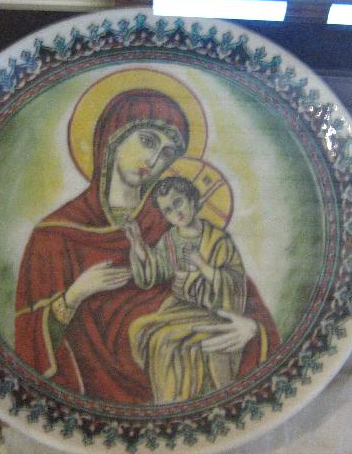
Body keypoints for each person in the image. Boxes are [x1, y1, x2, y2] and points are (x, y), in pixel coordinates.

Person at [14, 88, 279, 404]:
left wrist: (251, 328)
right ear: (114, 137)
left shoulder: (173, 219)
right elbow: (28, 341)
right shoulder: (56, 235)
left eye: (167, 154)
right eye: (148, 141)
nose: (154, 161)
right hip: (105, 394)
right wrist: (76, 294)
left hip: (193, 354)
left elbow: (236, 284)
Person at [123, 176, 248, 404]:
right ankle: (170, 399)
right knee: (138, 329)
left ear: (192, 199)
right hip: (180, 307)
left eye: (178, 202)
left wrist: (202, 266)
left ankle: (175, 400)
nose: (176, 213)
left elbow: (235, 282)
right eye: (168, 210)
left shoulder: (217, 240)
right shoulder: (170, 239)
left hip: (213, 310)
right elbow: (156, 271)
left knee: (165, 340)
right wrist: (138, 246)